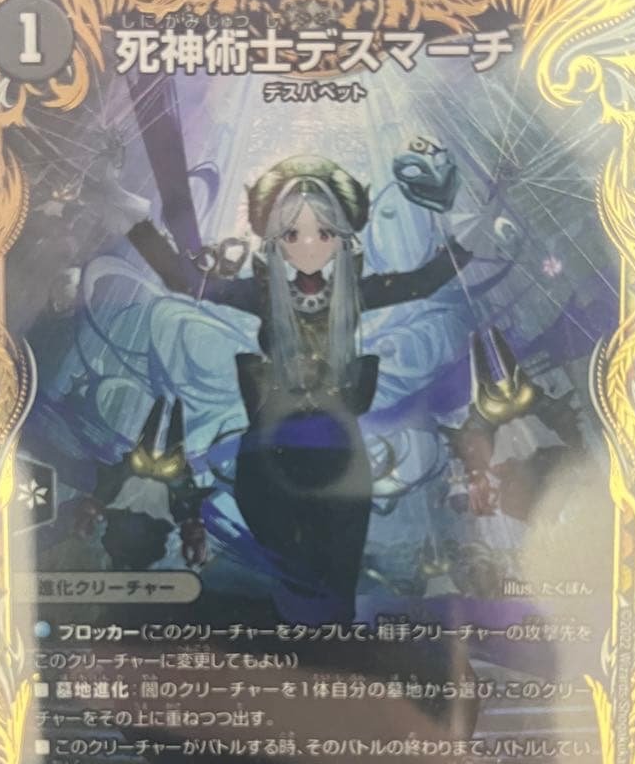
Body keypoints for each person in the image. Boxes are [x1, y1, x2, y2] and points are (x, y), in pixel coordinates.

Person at [124, 155, 471, 623]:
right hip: (270, 447)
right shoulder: (264, 294)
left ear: (343, 237)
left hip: (336, 449)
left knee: (337, 568)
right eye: (292, 234)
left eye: (323, 232)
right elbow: (188, 283)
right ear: (273, 239)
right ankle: (289, 643)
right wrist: (133, 218)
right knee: (284, 565)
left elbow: (423, 283)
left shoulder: (354, 292)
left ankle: (332, 646)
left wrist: (464, 224)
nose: (308, 244)